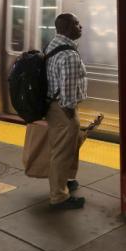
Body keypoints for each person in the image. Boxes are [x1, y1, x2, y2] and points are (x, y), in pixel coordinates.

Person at [44, 13, 87, 209]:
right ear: (67, 27)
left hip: (53, 106)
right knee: (62, 152)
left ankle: (68, 180)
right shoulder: (69, 55)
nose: (81, 27)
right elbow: (68, 91)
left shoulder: (52, 45)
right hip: (63, 109)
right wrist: (71, 115)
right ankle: (59, 197)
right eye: (77, 23)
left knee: (67, 147)